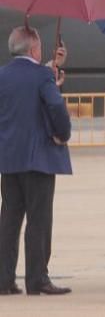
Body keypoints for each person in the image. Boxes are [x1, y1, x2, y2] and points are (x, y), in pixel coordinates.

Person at [0, 27, 71, 296]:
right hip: (38, 157)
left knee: (9, 219)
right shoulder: (42, 75)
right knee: (39, 220)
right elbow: (54, 107)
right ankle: (37, 278)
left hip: (9, 159)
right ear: (33, 50)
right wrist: (61, 134)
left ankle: (4, 279)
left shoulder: (3, 75)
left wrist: (52, 70)